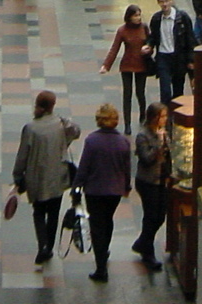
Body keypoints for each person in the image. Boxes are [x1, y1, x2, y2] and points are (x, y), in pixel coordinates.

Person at [12, 90, 81, 266]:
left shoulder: (30, 128)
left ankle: (42, 245)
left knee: (38, 212)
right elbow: (76, 131)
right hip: (57, 177)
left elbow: (23, 155)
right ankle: (49, 246)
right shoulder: (60, 124)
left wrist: (18, 175)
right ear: (53, 106)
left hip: (37, 177)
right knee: (53, 213)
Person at [73, 102, 131, 282]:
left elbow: (84, 167)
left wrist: (77, 187)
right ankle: (104, 249)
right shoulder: (123, 142)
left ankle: (100, 267)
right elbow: (126, 168)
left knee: (96, 225)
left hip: (95, 190)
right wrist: (126, 186)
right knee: (107, 220)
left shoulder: (92, 141)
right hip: (114, 190)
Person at [132, 101, 171, 271]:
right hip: (148, 181)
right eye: (163, 116)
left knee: (160, 215)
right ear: (155, 118)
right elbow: (146, 158)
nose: (165, 120)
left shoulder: (163, 133)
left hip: (162, 180)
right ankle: (148, 251)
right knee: (151, 216)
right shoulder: (143, 136)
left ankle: (142, 242)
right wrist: (159, 145)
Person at [100, 3, 150, 132]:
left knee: (140, 92)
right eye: (135, 15)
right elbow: (114, 48)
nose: (138, 18)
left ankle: (143, 115)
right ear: (129, 17)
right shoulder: (122, 30)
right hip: (127, 65)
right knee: (127, 94)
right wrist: (106, 65)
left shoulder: (144, 28)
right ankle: (127, 124)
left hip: (142, 65)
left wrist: (149, 49)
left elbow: (151, 42)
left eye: (139, 15)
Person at [145, 0, 194, 106]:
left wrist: (190, 60)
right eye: (162, 2)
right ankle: (165, 116)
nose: (165, 4)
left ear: (171, 1)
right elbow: (153, 36)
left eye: (167, 1)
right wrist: (149, 45)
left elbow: (189, 39)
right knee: (165, 90)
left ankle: (176, 115)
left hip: (178, 58)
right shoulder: (156, 19)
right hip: (163, 57)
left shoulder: (182, 18)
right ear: (158, 3)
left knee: (178, 90)